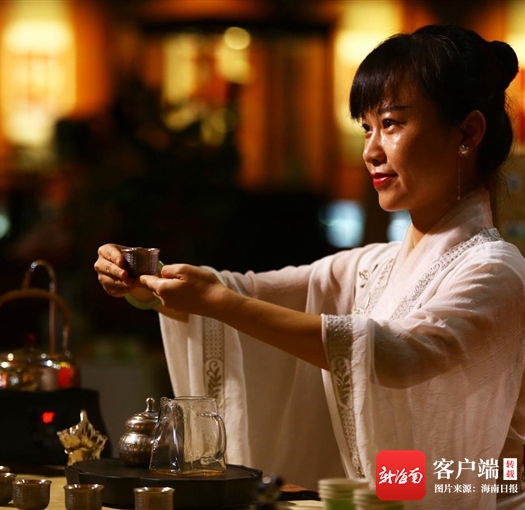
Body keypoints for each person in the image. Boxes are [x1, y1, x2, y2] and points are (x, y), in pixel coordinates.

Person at [94, 24, 524, 510]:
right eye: (366, 128)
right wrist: (145, 282)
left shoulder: (496, 270)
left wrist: (218, 301)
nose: (371, 151)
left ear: (467, 132)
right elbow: (248, 293)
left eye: (391, 124)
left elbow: (396, 353)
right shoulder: (377, 264)